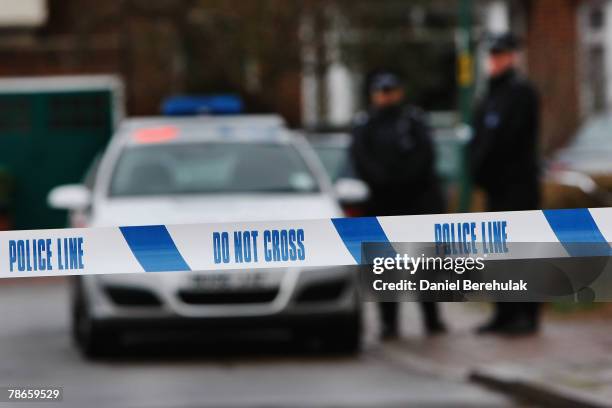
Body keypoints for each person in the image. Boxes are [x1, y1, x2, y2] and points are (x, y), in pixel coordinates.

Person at [350, 71, 446, 339]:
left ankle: (432, 319)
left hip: (416, 203)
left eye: (390, 91)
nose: (386, 96)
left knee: (425, 265)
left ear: (399, 92)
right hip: (382, 204)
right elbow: (360, 158)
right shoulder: (365, 124)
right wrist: (383, 182)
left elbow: (425, 156)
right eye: (381, 92)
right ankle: (388, 323)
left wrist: (405, 182)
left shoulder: (413, 121)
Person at [470, 33, 541, 335]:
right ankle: (504, 311)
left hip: (518, 186)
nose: (495, 61)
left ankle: (526, 313)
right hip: (495, 187)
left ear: (512, 56)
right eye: (493, 56)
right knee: (497, 252)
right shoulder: (489, 95)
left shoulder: (521, 93)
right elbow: (479, 140)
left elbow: (509, 140)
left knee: (522, 251)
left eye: (501, 55)